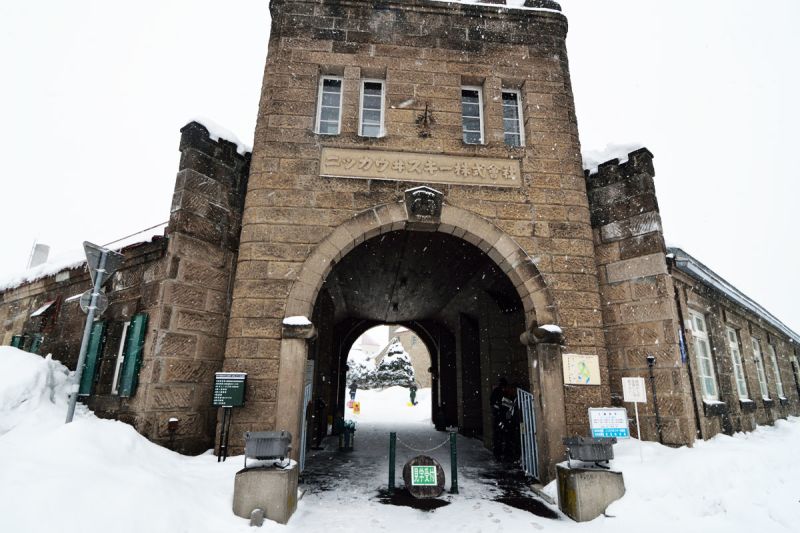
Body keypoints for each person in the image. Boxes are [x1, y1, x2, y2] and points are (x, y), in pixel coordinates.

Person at [490, 377, 508, 460]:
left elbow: (492, 403)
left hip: (499, 416)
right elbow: (493, 403)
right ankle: (500, 452)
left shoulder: (497, 391)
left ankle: (498, 452)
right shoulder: (502, 392)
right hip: (501, 416)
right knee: (501, 435)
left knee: (498, 435)